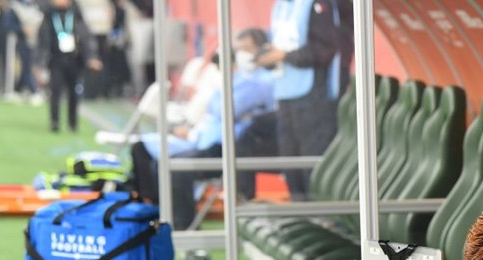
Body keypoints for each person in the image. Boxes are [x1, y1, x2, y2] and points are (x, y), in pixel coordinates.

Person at [130, 28, 276, 230]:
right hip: (208, 139)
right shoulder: (236, 79)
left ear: (261, 50)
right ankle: (158, 214)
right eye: (239, 49)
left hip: (228, 147)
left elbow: (226, 108)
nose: (240, 55)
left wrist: (222, 105)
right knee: (152, 158)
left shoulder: (259, 81)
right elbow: (216, 107)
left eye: (246, 49)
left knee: (175, 169)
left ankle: (185, 230)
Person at [257, 0, 341, 201]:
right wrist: (265, 57)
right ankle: (300, 210)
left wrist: (285, 56)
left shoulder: (316, 4)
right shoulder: (279, 7)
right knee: (290, 158)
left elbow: (323, 51)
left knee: (312, 159)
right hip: (285, 94)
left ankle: (320, 215)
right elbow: (278, 45)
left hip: (312, 94)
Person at [34, 0, 101, 132]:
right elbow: (42, 42)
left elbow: (86, 38)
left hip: (74, 59)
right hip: (56, 60)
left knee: (74, 93)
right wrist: (39, 62)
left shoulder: (76, 15)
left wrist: (91, 57)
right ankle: (54, 122)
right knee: (55, 92)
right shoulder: (48, 17)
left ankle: (73, 123)